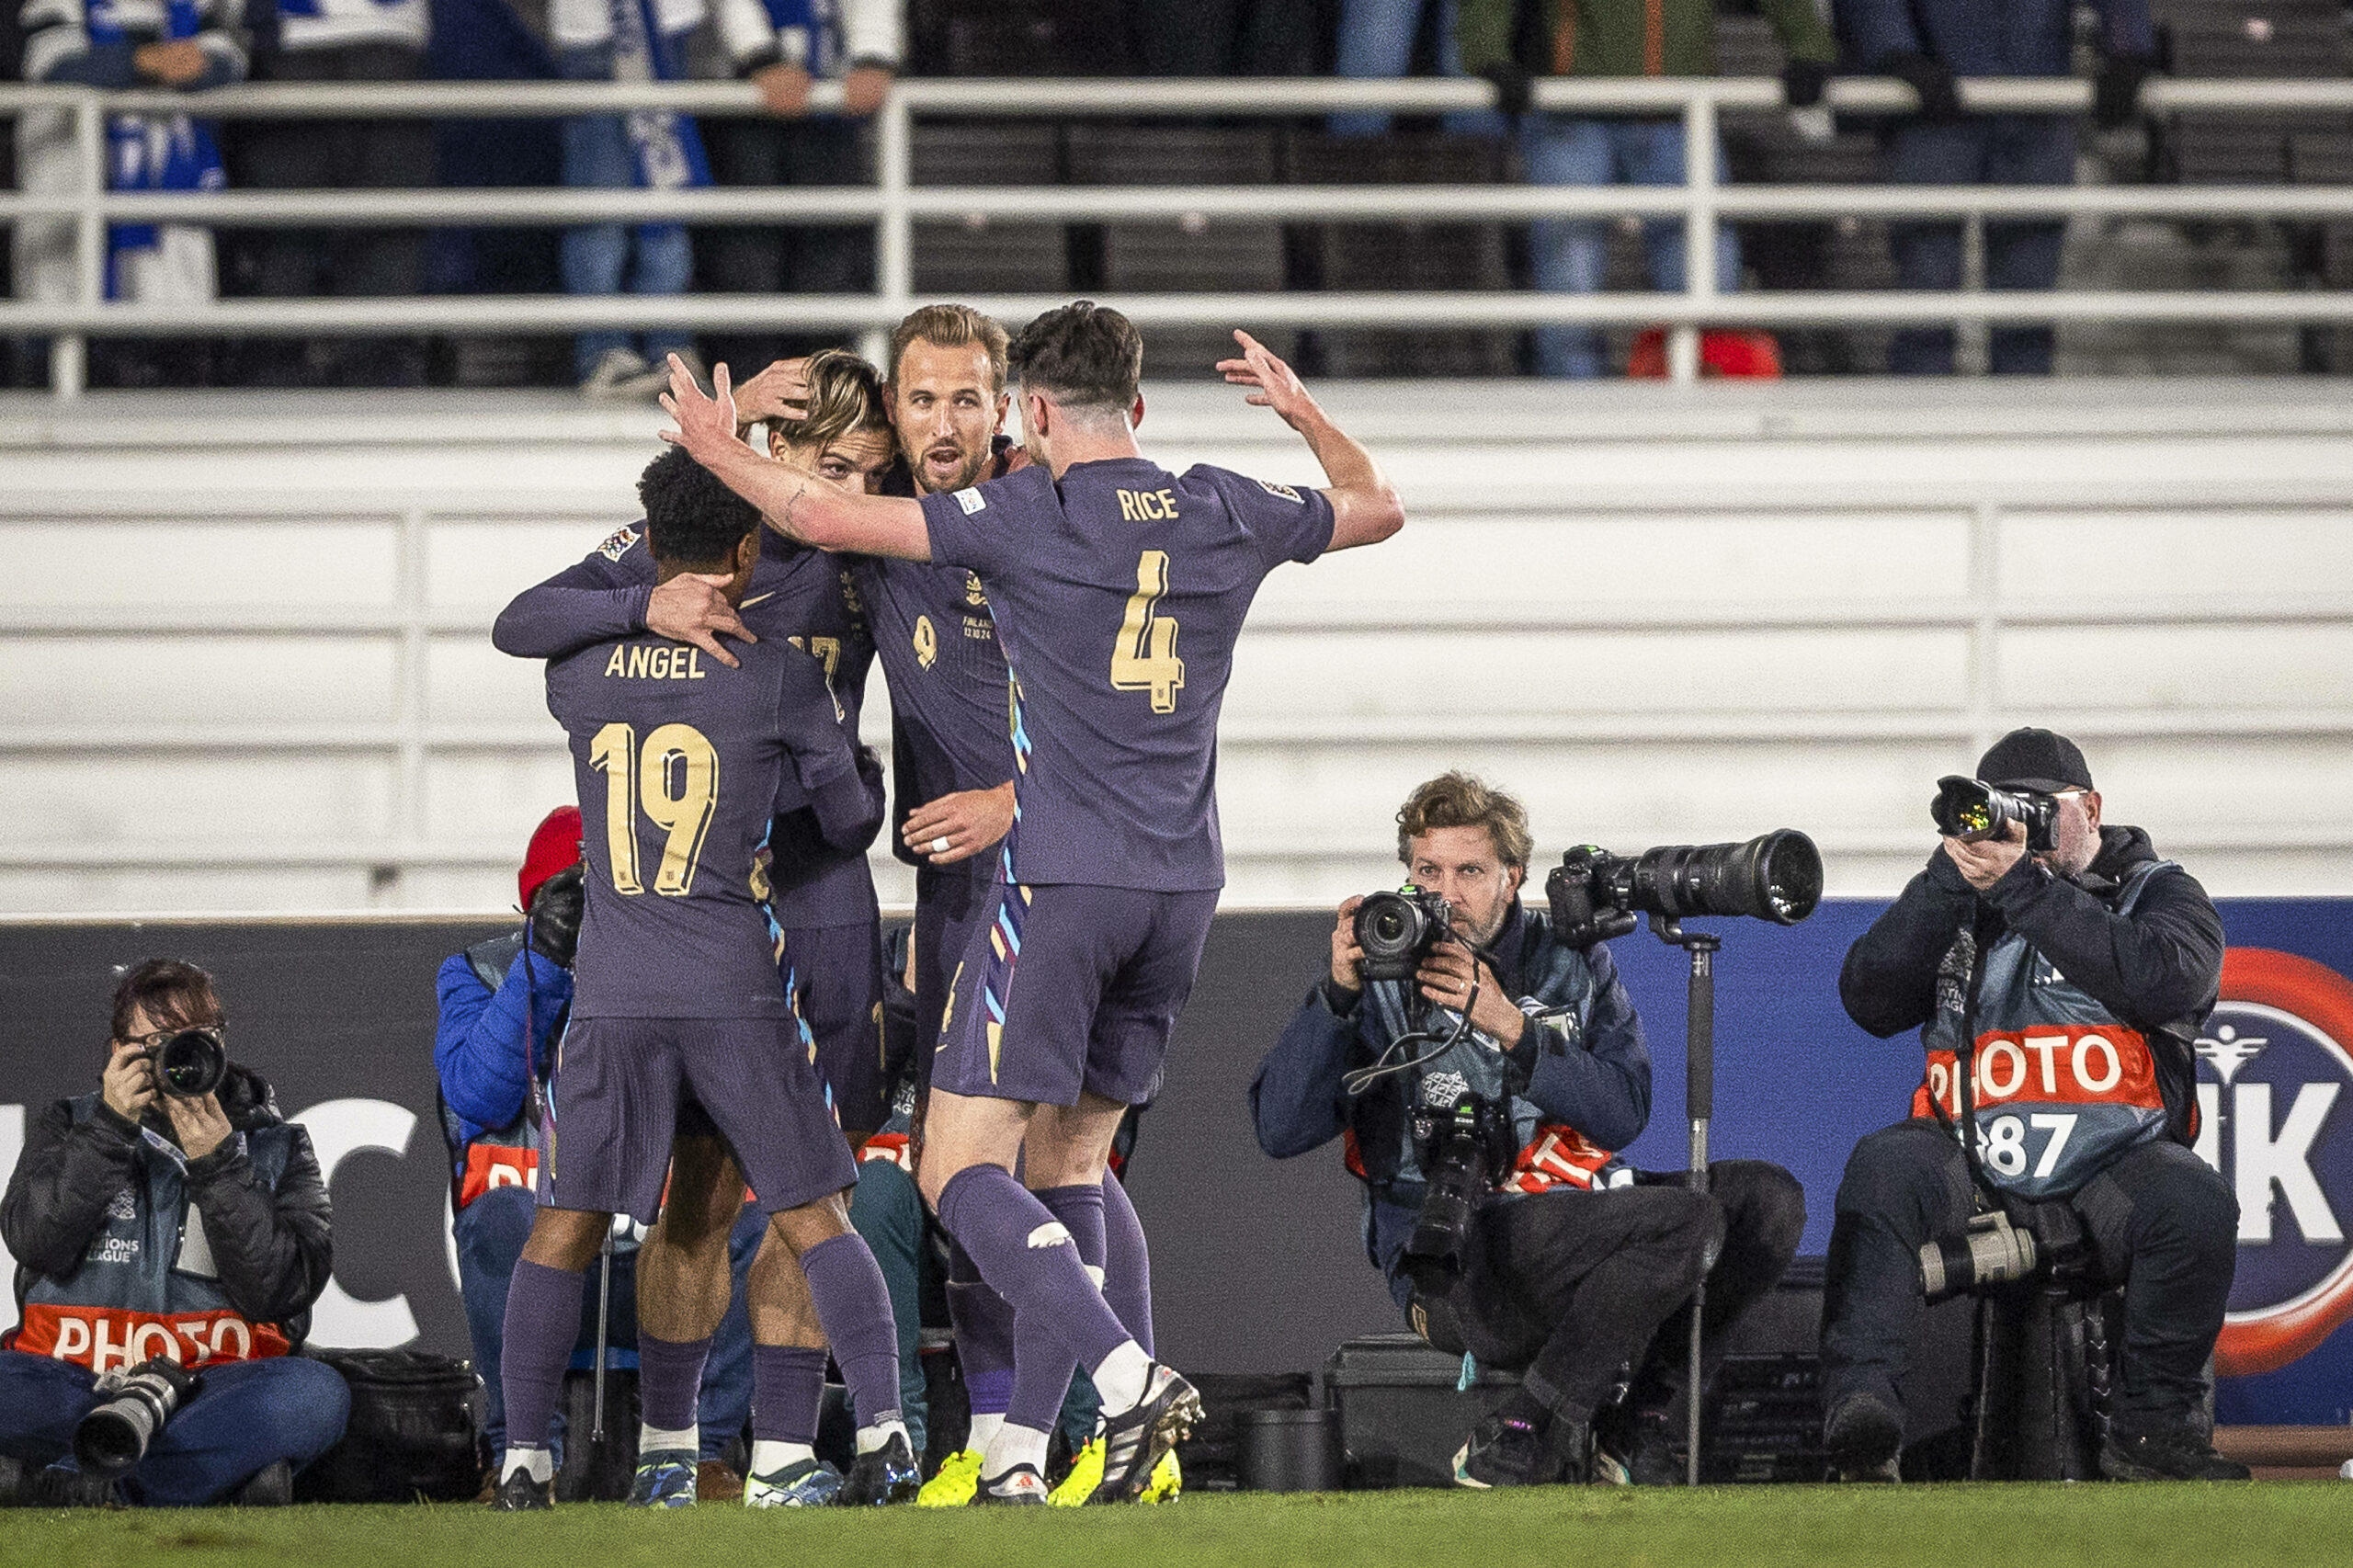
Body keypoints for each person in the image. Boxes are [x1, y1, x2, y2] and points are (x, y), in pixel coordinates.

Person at [658, 300, 1407, 1503]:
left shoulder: (1024, 511)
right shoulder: (1220, 499)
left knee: (959, 1165)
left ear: (1032, 410)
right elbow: (1378, 507)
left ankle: (1123, 1379)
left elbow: (816, 508)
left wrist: (712, 435)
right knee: (1076, 1162)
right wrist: (1302, 408)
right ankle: (1033, 1455)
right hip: (1185, 885)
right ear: (1144, 407)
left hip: (1058, 880)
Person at [489, 444, 912, 1511]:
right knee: (817, 1212)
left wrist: (631, 606)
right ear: (742, 548)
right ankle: (884, 1437)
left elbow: (523, 623)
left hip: (615, 986)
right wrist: (829, 773)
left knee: (567, 1218)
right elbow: (855, 818)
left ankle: (522, 1461)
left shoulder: (577, 673)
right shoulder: (775, 671)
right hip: (733, 981)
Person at [1250, 773, 1804, 1485]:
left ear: (1512, 877)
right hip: (1455, 1259)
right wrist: (1336, 995)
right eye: (1427, 871)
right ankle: (1524, 1430)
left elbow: (1624, 1113)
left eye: (1469, 871)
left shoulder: (1569, 957)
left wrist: (1512, 1027)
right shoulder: (1378, 964)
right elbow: (1279, 1128)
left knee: (1766, 1201)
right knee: (1684, 1220)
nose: (1445, 893)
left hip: (1572, 1215)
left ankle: (1635, 1429)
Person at [1822, 726, 2245, 1482]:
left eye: (2040, 808)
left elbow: (2166, 981)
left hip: (2111, 1172)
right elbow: (1868, 999)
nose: (2022, 825)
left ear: (2092, 808)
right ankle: (1862, 1420)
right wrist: (1949, 884)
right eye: (2004, 810)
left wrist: (2023, 886)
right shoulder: (1959, 894)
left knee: (2195, 1204)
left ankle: (2154, 1434)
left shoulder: (2160, 890)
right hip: (1971, 1163)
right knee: (1883, 1168)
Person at [434, 802, 761, 1501]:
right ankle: (522, 1456)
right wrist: (543, 966)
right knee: (497, 1215)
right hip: (545, 1263)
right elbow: (478, 1098)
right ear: (529, 903)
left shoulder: (683, 974)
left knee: (747, 1223)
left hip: (660, 1257)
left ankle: (699, 1453)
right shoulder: (476, 973)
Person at [0, 960, 348, 1506]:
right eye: (158, 1041)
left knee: (313, 1396)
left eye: (198, 1038)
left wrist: (220, 1164)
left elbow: (279, 1291)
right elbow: (33, 1239)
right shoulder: (69, 1123)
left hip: (207, 1391)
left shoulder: (278, 1144)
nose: (178, 1057)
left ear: (220, 1044)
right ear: (119, 1051)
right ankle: (196, 1479)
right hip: (73, 1381)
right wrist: (111, 1131)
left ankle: (69, 1481)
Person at [1455, 0, 1836, 379]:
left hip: (1677, 113)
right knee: (1569, 293)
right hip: (1569, 111)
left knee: (1707, 289)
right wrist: (1489, 56)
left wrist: (1809, 50)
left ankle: (1701, 424)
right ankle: (1575, 425)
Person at [1839, 0, 2155, 374]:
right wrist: (1896, 53)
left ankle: (2021, 420)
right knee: (1926, 287)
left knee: (2026, 295)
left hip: (2033, 107)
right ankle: (1921, 419)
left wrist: (2129, 48)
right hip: (1933, 107)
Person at [13, 0, 244, 389]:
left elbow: (228, 60)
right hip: (73, 219)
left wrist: (190, 64)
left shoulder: (195, 8)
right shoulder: (56, 5)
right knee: (65, 357)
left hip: (168, 231)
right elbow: (60, 67)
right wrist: (149, 63)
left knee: (173, 370)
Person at [227, 0, 434, 387]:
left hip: (352, 44)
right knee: (287, 234)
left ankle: (291, 371)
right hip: (298, 44)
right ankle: (287, 370)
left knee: (377, 228)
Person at [700, 0, 898, 372]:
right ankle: (749, 379)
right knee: (748, 251)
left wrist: (873, 57)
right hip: (741, 105)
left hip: (831, 106)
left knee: (831, 249)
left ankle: (828, 382)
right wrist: (760, 58)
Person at [551, 0, 711, 399]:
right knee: (600, 209)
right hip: (591, 30)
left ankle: (670, 350)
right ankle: (604, 354)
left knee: (665, 196)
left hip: (664, 27)